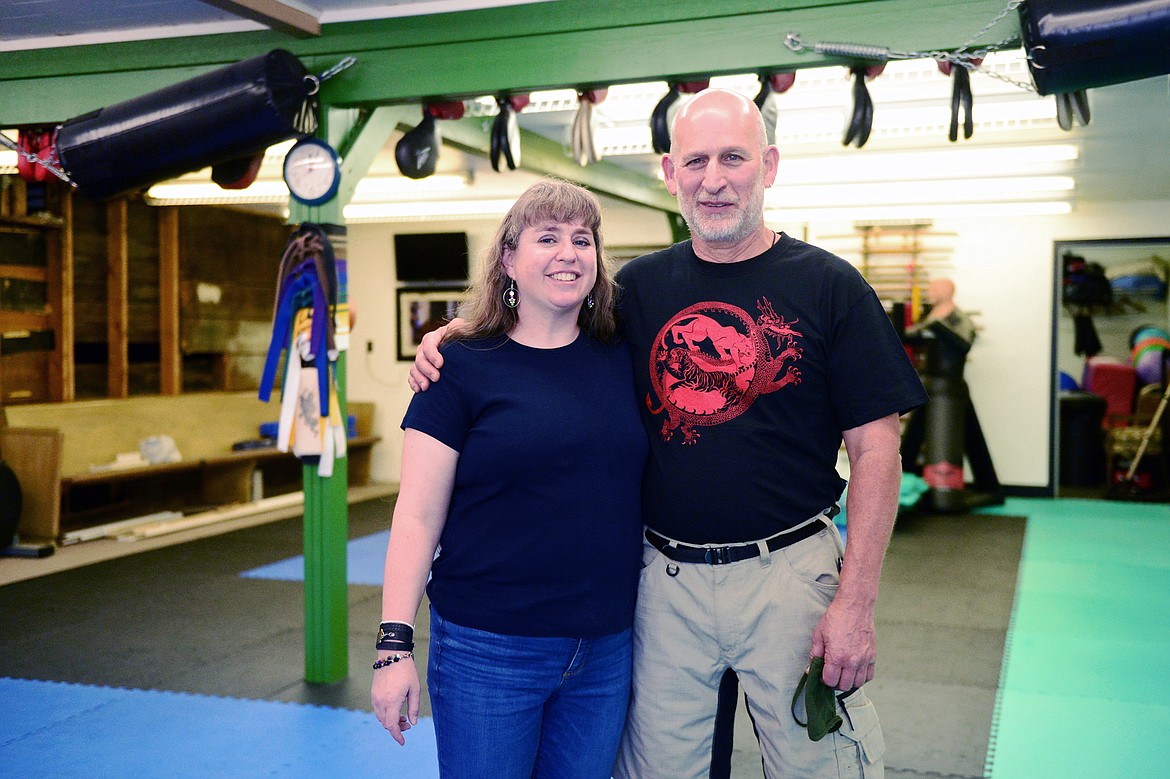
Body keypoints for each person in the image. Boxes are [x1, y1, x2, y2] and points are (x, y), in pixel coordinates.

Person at [410, 90, 927, 778]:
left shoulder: (830, 286)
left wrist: (856, 601)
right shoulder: (640, 290)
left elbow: (876, 449)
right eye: (697, 160)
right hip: (664, 582)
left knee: (820, 766)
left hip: (790, 574)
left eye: (733, 158)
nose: (714, 179)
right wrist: (459, 333)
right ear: (669, 172)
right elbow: (546, 318)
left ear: (767, 165)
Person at [372, 177, 648, 779]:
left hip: (605, 647)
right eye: (546, 238)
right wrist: (394, 645)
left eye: (582, 239)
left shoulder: (623, 359)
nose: (568, 253)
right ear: (509, 259)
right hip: (487, 648)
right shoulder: (459, 366)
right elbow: (416, 515)